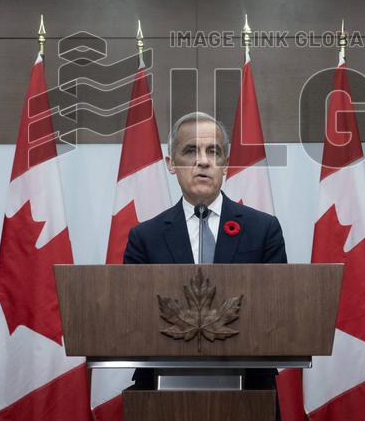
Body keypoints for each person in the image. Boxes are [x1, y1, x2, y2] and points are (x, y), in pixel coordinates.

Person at [123, 111, 287, 403]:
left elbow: (276, 310)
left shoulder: (263, 229)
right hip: (162, 392)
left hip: (250, 389)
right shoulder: (144, 237)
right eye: (190, 151)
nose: (203, 161)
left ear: (225, 164)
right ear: (170, 164)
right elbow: (132, 319)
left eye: (214, 151)